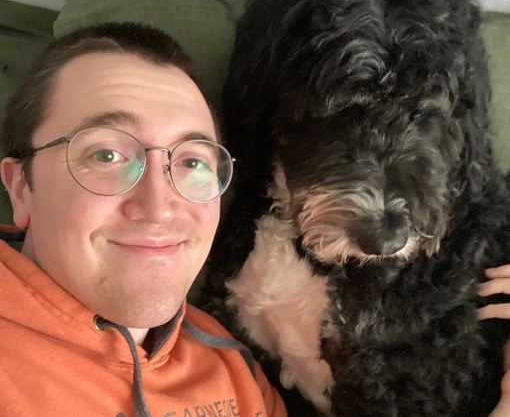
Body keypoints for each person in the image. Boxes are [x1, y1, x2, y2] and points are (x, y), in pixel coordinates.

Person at [0, 21, 508, 417]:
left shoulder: (231, 361)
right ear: (20, 186)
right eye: (106, 154)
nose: (159, 205)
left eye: (192, 161)